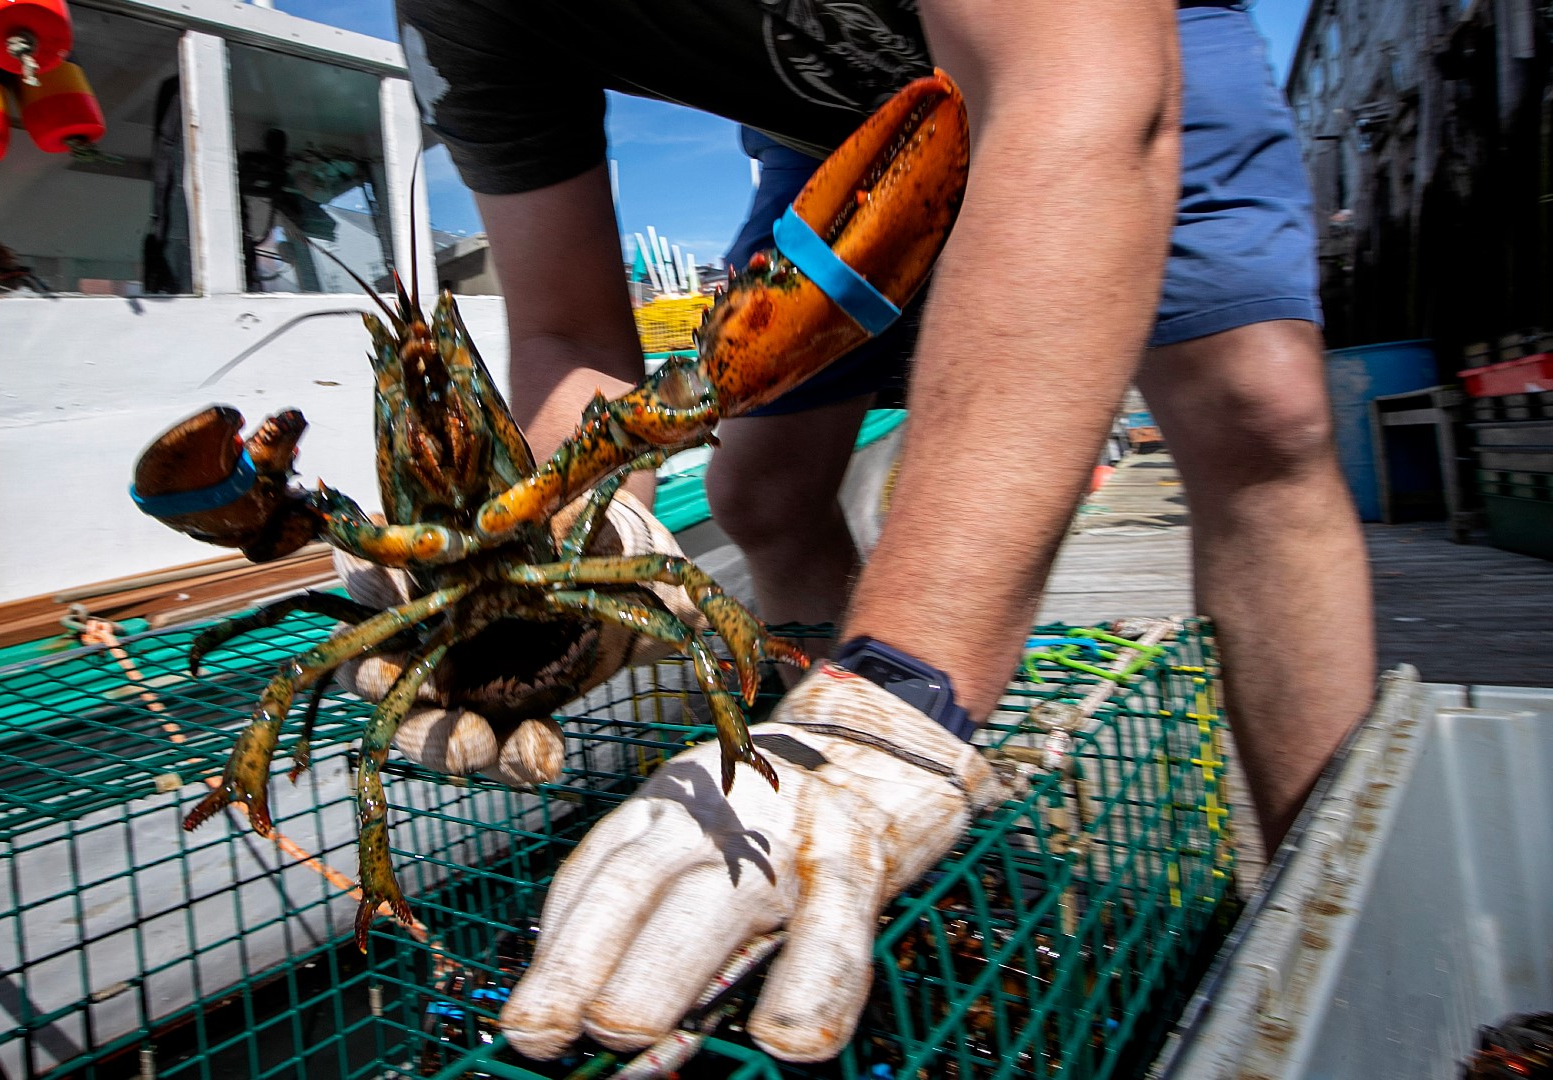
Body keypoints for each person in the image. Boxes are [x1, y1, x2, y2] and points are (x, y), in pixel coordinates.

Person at [395, 0, 1376, 1064]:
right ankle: (840, 819)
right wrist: (584, 521)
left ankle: (1339, 925)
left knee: (1259, 410)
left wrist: (902, 689)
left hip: (1103, 50)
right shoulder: (460, 15)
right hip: (831, 140)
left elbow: (1081, 95)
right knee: (762, 492)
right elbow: (565, 327)